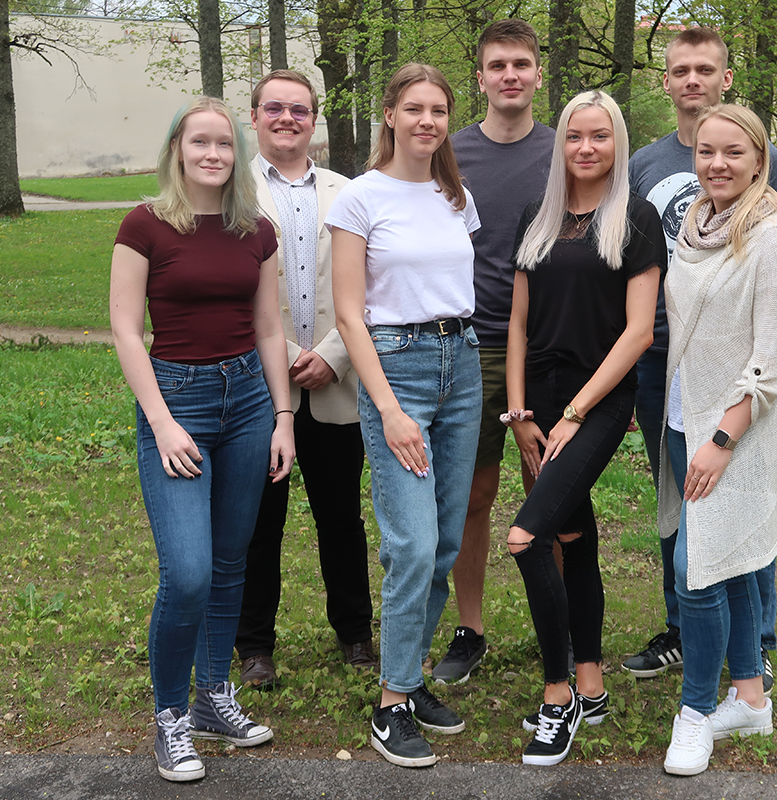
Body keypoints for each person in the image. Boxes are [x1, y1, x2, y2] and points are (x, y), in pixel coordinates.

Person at [109, 96, 295, 782]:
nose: (213, 153)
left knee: (228, 562)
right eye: (199, 142)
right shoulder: (145, 225)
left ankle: (213, 696)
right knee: (186, 573)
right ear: (177, 150)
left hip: (247, 402)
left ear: (236, 153)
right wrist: (161, 421)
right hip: (176, 401)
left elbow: (269, 327)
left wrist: (283, 417)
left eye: (223, 143)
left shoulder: (256, 230)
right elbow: (127, 329)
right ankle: (170, 717)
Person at [624, 26, 777, 688]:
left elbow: (771, 274)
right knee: (678, 496)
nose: (692, 79)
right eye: (680, 70)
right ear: (665, 81)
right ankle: (682, 627)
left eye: (705, 69)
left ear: (725, 78)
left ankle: (757, 642)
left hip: (729, 366)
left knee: (739, 498)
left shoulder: (763, 159)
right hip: (659, 362)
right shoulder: (643, 163)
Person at [327, 63, 483, 769]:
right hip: (398, 370)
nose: (427, 121)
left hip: (463, 365)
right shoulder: (360, 198)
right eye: (414, 108)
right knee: (412, 544)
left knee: (444, 542)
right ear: (390, 114)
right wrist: (388, 409)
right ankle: (391, 704)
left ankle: (410, 677)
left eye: (438, 110)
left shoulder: (457, 197)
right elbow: (348, 315)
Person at [506, 90, 665, 766]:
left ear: (616, 143)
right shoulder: (537, 216)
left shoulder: (636, 217)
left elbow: (638, 333)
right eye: (575, 136)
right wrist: (520, 415)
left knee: (527, 537)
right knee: (572, 532)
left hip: (598, 401)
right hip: (538, 399)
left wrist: (575, 413)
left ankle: (558, 695)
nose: (587, 147)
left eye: (600, 136)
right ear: (561, 143)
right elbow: (518, 324)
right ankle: (592, 682)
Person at [657, 103, 777, 776]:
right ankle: (749, 699)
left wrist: (722, 438)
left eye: (733, 153)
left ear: (759, 160)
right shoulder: (698, 222)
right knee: (736, 564)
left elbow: (770, 361)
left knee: (697, 571)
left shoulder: (771, 236)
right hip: (686, 418)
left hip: (735, 432)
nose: (717, 164)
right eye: (706, 152)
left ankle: (694, 713)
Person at [235, 69, 376, 692]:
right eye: (274, 108)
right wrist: (289, 355)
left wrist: (333, 355)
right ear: (255, 118)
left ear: (314, 120)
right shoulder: (231, 190)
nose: (286, 118)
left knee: (341, 518)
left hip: (335, 383)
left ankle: (355, 633)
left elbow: (372, 284)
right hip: (258, 388)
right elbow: (228, 288)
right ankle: (254, 645)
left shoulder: (349, 192)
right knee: (257, 523)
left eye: (298, 109)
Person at [430, 18, 555, 685]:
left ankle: (558, 625)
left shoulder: (566, 150)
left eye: (521, 64)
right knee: (473, 494)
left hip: (547, 348)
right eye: (498, 65)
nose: (510, 75)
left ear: (538, 73)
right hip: (470, 345)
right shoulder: (448, 153)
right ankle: (470, 628)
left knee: (549, 491)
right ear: (480, 78)